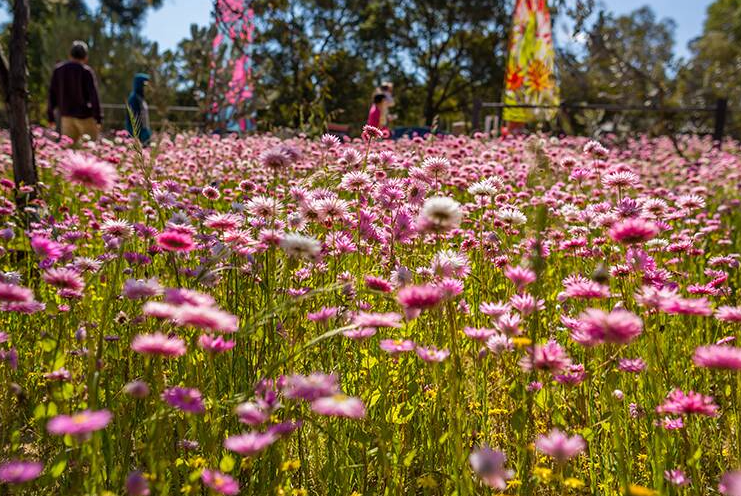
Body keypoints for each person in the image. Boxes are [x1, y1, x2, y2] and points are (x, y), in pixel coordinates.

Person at [47, 41, 102, 142]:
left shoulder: (58, 70)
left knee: (68, 151)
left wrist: (50, 117)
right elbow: (94, 96)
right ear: (85, 57)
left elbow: (52, 94)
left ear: (70, 55)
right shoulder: (86, 71)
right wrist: (98, 118)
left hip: (66, 117)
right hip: (85, 117)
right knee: (91, 150)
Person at [125, 73, 152, 144]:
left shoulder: (141, 98)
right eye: (145, 85)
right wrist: (137, 135)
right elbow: (134, 119)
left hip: (144, 131)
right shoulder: (133, 98)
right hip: (137, 134)